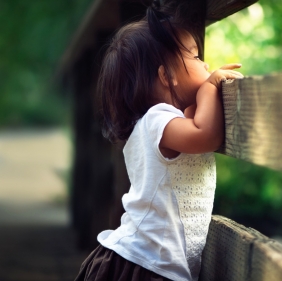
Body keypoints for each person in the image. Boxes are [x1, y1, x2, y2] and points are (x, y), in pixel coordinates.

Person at [74, 2, 243, 281]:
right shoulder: (157, 121)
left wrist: (202, 93)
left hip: (148, 261)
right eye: (197, 57)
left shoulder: (161, 122)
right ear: (167, 76)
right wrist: (211, 87)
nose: (207, 64)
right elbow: (207, 136)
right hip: (144, 264)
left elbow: (195, 121)